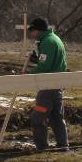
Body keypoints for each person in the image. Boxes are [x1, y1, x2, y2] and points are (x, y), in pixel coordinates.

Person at [26, 17, 69, 151]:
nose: (31, 34)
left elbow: (45, 66)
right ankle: (63, 145)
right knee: (56, 117)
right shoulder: (54, 39)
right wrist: (37, 59)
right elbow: (48, 61)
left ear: (37, 30)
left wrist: (29, 74)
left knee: (38, 118)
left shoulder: (48, 42)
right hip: (57, 84)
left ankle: (41, 146)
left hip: (48, 86)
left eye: (32, 31)